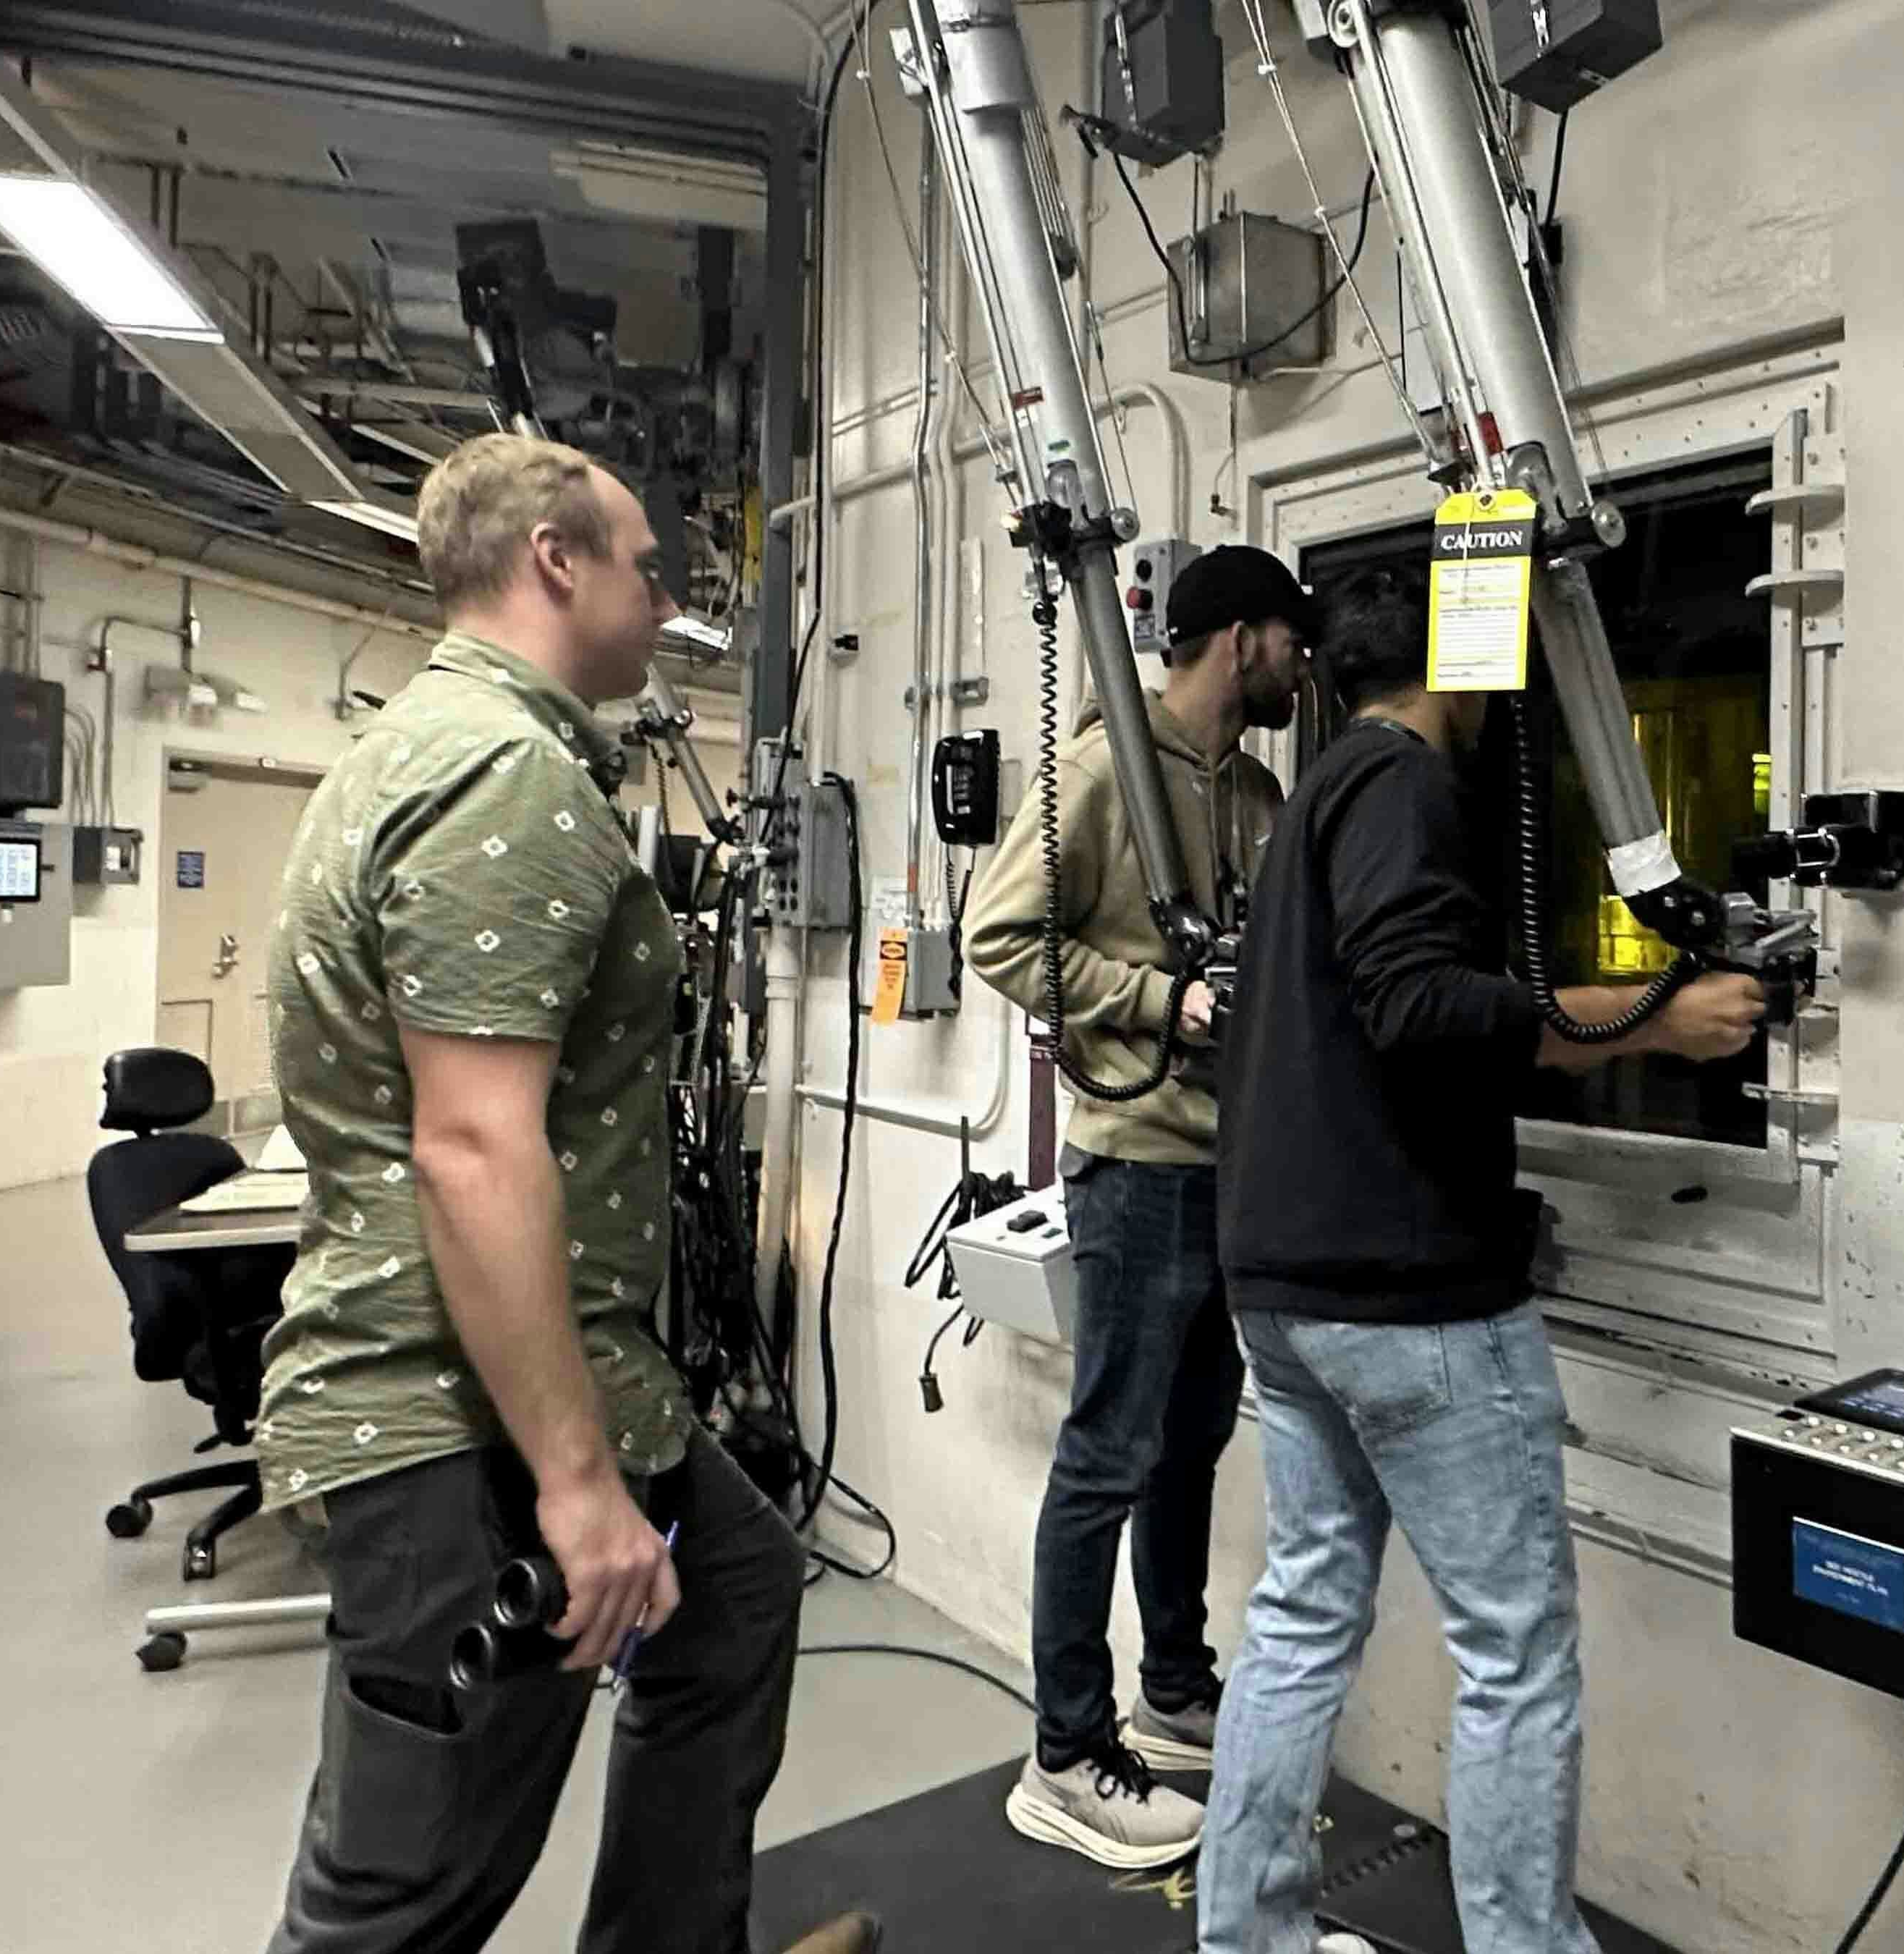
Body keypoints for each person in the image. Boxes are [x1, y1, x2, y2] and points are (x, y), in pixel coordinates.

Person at [255, 432, 874, 1954]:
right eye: (649, 571)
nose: (667, 606)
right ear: (556, 560)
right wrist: (578, 1487)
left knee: (732, 1595)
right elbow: (472, 1147)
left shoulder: (442, 747)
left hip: (585, 1366)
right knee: (403, 1895)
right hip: (457, 1414)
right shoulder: (505, 777)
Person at [1199, 577, 1764, 1954]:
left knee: (1302, 1615)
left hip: (1288, 1287)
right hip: (1410, 1305)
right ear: (1475, 662)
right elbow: (1424, 1010)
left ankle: (1250, 1937)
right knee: (1514, 1656)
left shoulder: (1315, 796)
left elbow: (1356, 1029)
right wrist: (1656, 1020)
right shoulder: (1399, 785)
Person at [957, 543, 1314, 1867]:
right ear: (1235, 639)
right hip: (1138, 1165)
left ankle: (1172, 1690)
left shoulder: (1260, 796)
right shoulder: (1102, 771)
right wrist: (1162, 1000)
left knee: (1190, 1443)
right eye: (1290, 638)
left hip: (1235, 1170)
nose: (1301, 660)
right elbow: (1001, 939)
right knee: (1107, 1452)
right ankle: (1066, 1750)